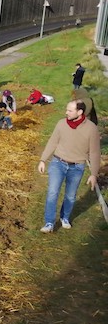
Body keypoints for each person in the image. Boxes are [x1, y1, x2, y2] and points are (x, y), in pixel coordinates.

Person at [37, 100, 100, 233]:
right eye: (67, 110)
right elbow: (53, 141)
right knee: (52, 193)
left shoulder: (91, 128)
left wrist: (94, 174)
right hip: (58, 163)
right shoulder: (61, 124)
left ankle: (64, 217)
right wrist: (43, 159)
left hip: (77, 167)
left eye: (70, 110)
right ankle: (49, 223)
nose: (66, 112)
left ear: (80, 112)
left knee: (70, 196)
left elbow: (94, 152)